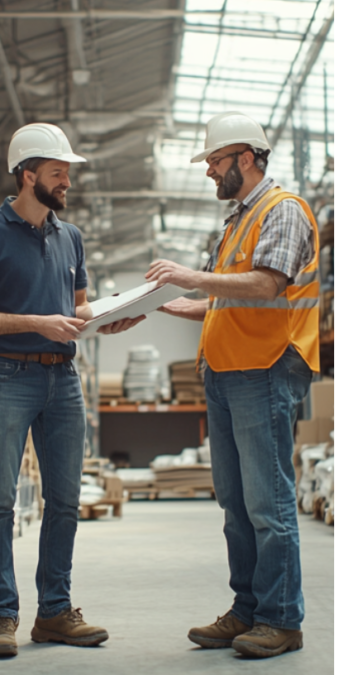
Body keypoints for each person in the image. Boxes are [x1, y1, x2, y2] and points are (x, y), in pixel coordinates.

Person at [148, 111, 319, 659]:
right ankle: (247, 609)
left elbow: (267, 285)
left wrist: (189, 276)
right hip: (225, 374)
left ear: (246, 158)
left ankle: (281, 620)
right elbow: (231, 296)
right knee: (237, 505)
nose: (209, 173)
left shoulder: (283, 210)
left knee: (267, 503)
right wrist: (182, 306)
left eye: (215, 162)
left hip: (264, 370)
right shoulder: (238, 220)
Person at [0, 123, 143, 657]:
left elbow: (75, 308)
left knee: (64, 501)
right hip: (8, 377)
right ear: (28, 174)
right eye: (58, 172)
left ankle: (54, 613)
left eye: (67, 173)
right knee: (0, 504)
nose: (66, 181)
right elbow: (39, 316)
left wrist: (107, 317)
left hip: (63, 380)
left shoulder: (70, 236)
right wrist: (37, 322)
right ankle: (3, 615)